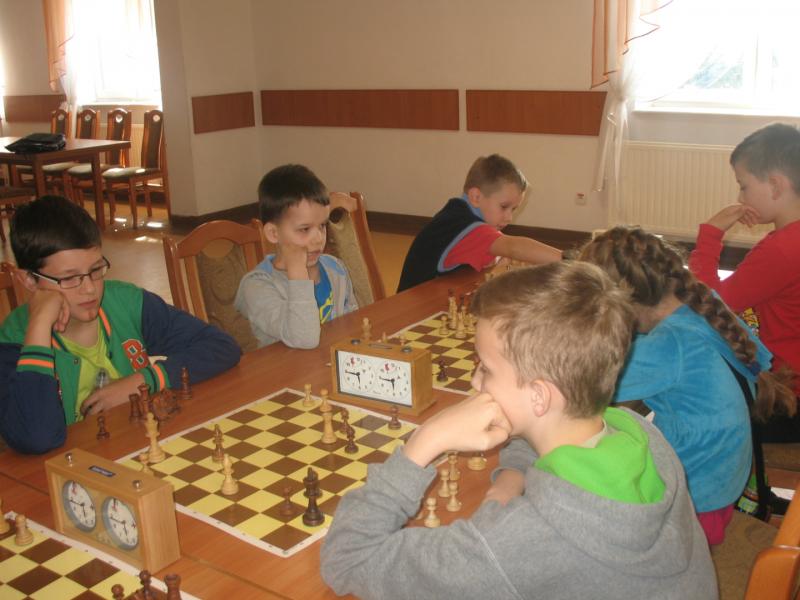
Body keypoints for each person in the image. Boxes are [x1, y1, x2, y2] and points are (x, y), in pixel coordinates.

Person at [321, 262, 717, 599]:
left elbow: (348, 559)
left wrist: (425, 441)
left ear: (540, 397)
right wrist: (513, 475)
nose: (475, 381)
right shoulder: (642, 436)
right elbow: (546, 431)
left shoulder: (510, 545)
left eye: (486, 369)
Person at [580, 226, 794, 543]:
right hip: (723, 482)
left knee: (580, 490)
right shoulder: (704, 305)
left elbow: (580, 385)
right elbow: (759, 360)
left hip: (695, 503)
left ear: (621, 302)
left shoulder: (668, 344)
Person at [0, 196, 241, 454]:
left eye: (96, 270)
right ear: (29, 280)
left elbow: (222, 346)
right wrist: (38, 326)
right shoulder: (14, 339)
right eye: (69, 278)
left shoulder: (125, 303)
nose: (90, 289)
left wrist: (143, 381)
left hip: (135, 449)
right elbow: (37, 437)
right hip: (67, 468)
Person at [689, 123, 800, 442]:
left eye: (744, 186)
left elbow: (709, 306)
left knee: (693, 386)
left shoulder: (781, 249)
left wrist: (710, 234)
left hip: (786, 399)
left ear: (775, 185)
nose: (740, 197)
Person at [396, 154, 562, 292]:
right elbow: (513, 248)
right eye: (504, 207)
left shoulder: (457, 212)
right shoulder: (466, 227)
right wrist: (568, 259)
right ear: (476, 197)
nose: (509, 217)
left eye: (513, 209)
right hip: (412, 314)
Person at [235, 164, 358, 349]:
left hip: (329, 361)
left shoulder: (335, 268)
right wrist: (298, 272)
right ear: (273, 233)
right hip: (286, 366)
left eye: (322, 226)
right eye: (305, 229)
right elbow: (304, 339)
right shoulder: (257, 286)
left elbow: (352, 323)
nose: (318, 238)